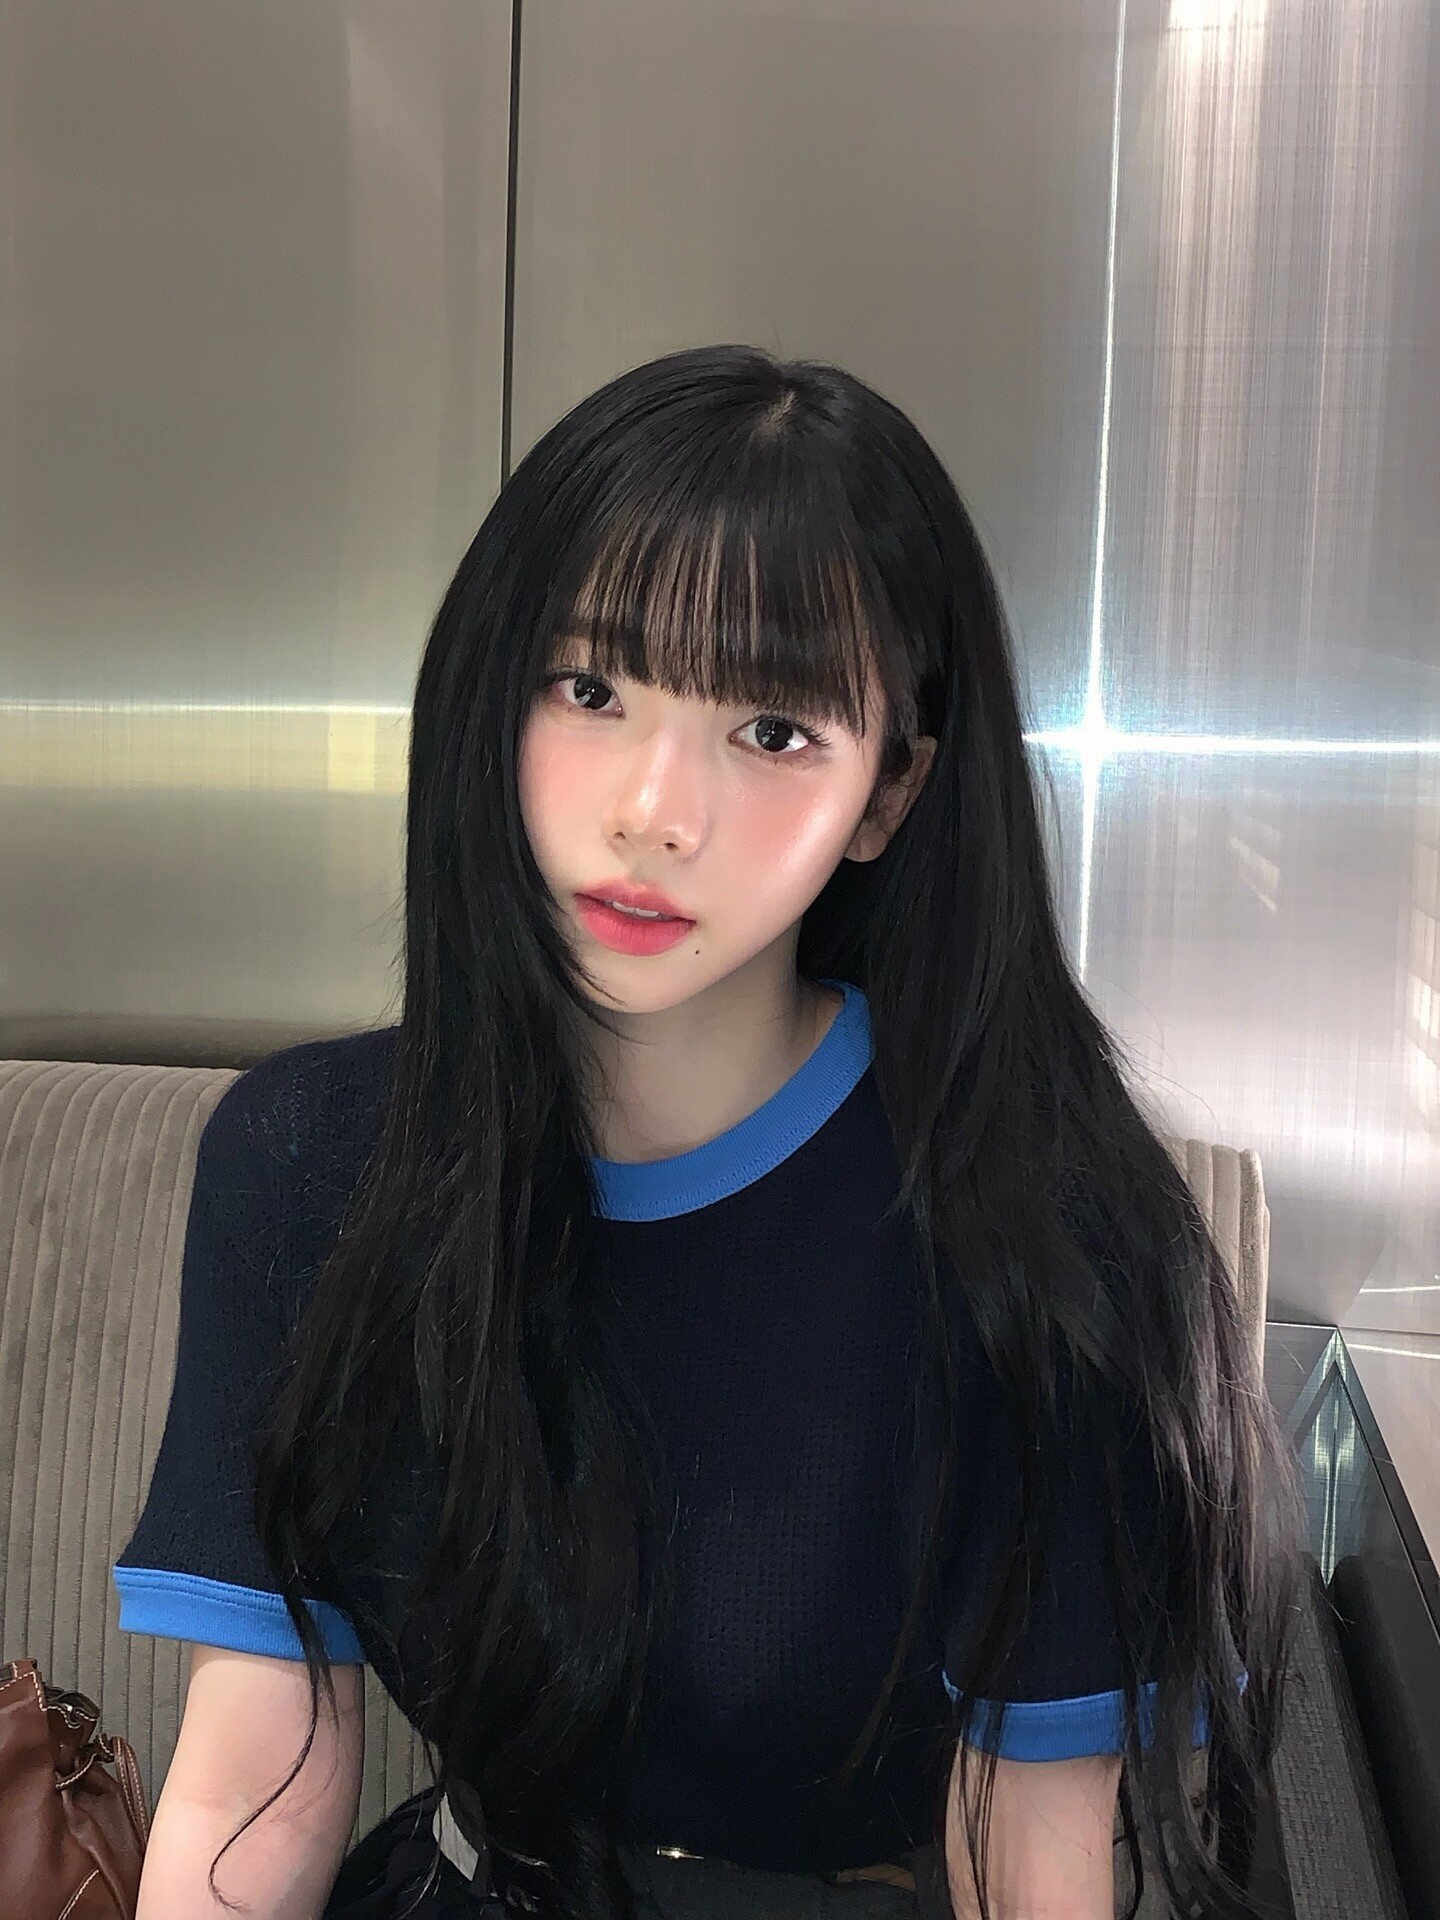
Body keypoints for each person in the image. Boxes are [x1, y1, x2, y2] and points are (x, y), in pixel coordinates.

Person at [112, 344, 1300, 1920]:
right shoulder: (304, 1162)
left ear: (891, 795)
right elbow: (255, 1777)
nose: (654, 811)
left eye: (775, 732)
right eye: (592, 689)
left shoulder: (1048, 1235)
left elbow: (1036, 1857)